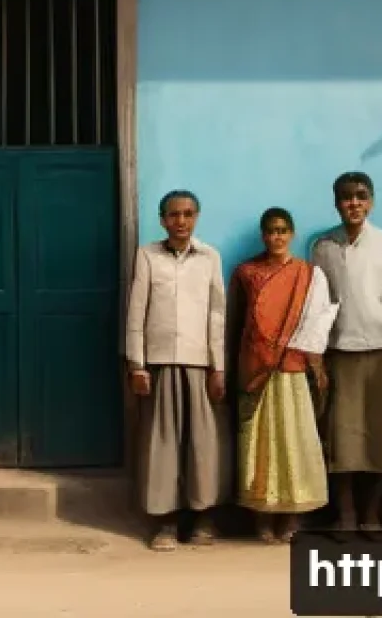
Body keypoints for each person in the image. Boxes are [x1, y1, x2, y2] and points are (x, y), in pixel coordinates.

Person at [126, 190, 230, 551]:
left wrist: (219, 367)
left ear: (196, 217)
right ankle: (165, 522)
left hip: (199, 362)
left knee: (202, 443)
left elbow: (217, 315)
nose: (181, 221)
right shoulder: (148, 256)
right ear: (162, 219)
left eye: (187, 214)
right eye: (173, 215)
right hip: (159, 363)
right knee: (162, 443)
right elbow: (137, 311)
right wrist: (136, 364)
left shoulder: (209, 258)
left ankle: (202, 518)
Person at [229, 207, 337, 544]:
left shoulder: (308, 274)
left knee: (294, 441)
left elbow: (317, 324)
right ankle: (261, 517)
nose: (276, 237)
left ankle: (292, 518)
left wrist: (317, 368)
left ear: (291, 234)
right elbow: (234, 324)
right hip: (256, 370)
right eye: (271, 231)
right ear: (263, 235)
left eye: (282, 231)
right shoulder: (246, 272)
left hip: (293, 370)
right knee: (259, 446)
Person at [311, 172, 382, 532]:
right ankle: (346, 516)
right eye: (346, 197)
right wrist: (317, 359)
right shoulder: (323, 248)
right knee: (342, 438)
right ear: (336, 203)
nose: (354, 203)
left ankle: (372, 515)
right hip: (340, 353)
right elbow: (317, 306)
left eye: (361, 196)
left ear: (372, 201)